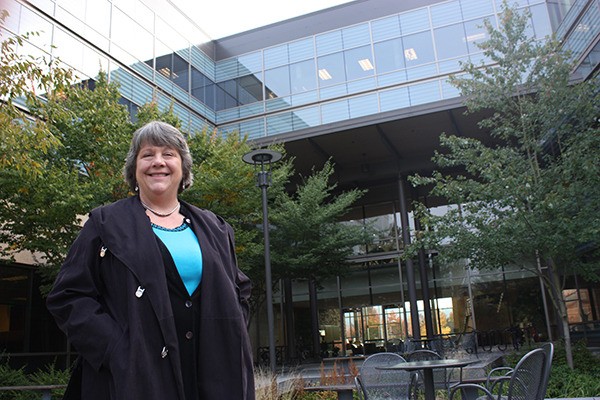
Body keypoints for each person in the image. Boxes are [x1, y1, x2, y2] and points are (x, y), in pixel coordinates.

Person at [46, 121, 255, 400]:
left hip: (212, 371)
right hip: (136, 378)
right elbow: (68, 296)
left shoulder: (215, 227)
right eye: (147, 155)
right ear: (134, 168)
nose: (158, 162)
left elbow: (240, 289)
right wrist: (117, 348)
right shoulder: (105, 223)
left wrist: (231, 332)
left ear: (183, 167)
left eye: (168, 154)